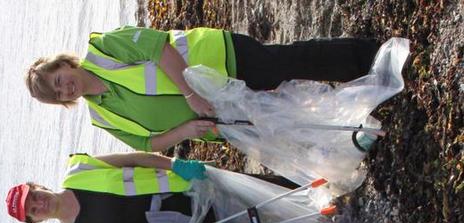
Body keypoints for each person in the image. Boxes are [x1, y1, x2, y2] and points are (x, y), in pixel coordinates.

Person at [24, 26, 379, 151]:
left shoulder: (104, 49)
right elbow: (147, 143)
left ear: (63, 64)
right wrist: (185, 131)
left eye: (58, 80)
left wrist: (191, 93)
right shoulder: (100, 116)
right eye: (58, 95)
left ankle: (369, 57)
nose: (64, 89)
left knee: (288, 64)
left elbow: (158, 48)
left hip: (220, 61)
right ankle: (358, 120)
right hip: (220, 119)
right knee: (286, 120)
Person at [5, 151, 338, 223]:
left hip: (189, 189)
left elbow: (135, 159)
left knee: (260, 192)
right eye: (32, 210)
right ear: (35, 222)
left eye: (33, 196)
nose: (38, 204)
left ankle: (325, 195)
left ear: (38, 186)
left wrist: (175, 164)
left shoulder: (79, 169)